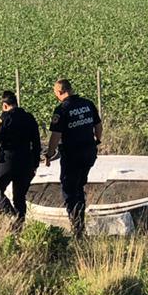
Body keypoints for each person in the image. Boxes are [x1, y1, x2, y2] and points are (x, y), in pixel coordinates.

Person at [44, 78, 102, 238]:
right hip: (89, 153)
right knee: (79, 187)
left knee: (70, 190)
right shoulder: (87, 104)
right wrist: (97, 140)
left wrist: (49, 154)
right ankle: (80, 224)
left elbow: (56, 135)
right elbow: (98, 126)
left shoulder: (62, 109)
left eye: (55, 93)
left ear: (60, 92)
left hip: (72, 155)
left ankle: (77, 229)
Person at [0, 89, 41, 226]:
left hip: (8, 161)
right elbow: (36, 142)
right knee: (19, 198)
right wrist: (35, 164)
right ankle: (18, 228)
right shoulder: (29, 117)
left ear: (5, 106)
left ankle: (12, 214)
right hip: (26, 162)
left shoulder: (4, 118)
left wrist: (1, 120)